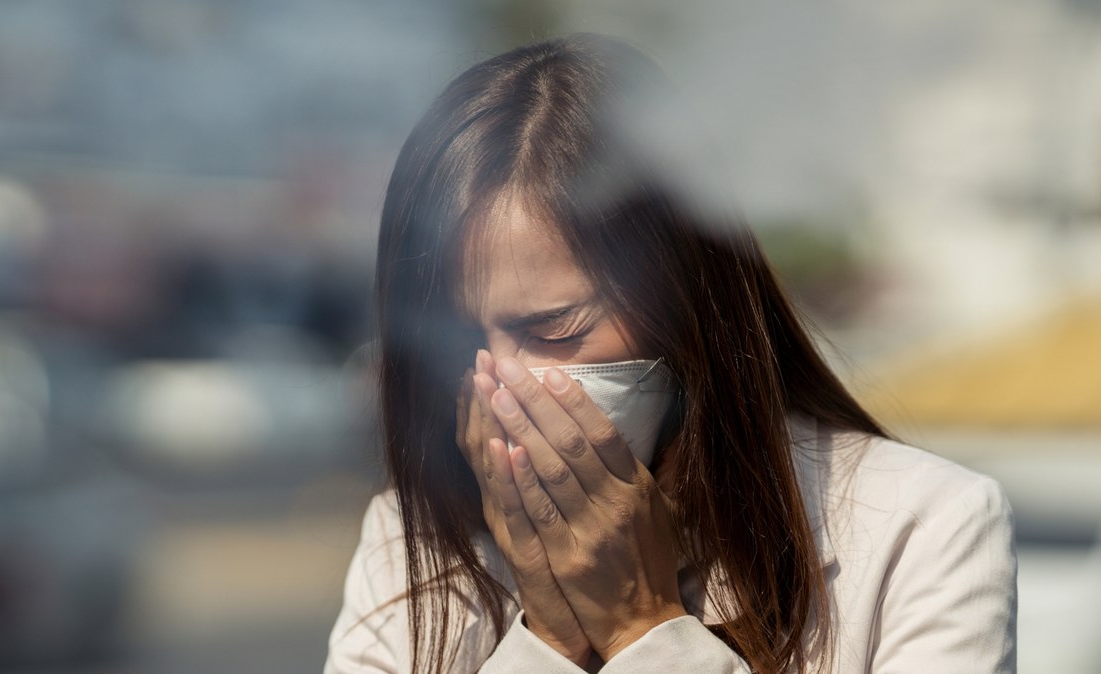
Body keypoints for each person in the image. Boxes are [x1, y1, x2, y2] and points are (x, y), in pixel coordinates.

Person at [325, 34, 1016, 673]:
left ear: (686, 300)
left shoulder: (922, 530)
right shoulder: (413, 549)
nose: (501, 385)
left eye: (555, 330)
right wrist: (551, 638)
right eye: (464, 343)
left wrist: (639, 626)